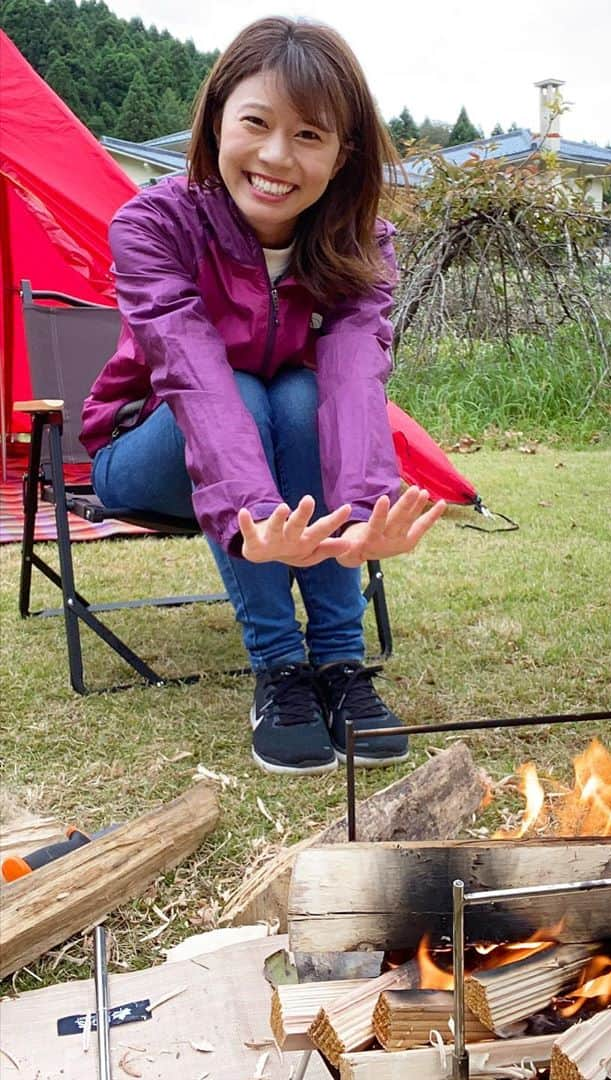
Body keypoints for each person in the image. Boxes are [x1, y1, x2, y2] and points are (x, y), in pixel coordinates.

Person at [80, 17, 445, 776]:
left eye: (310, 135)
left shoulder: (360, 243)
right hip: (147, 451)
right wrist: (253, 514)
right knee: (244, 389)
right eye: (256, 123)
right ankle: (282, 668)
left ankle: (340, 669)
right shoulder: (155, 223)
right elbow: (192, 372)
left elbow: (353, 374)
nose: (278, 157)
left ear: (343, 153)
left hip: (270, 452)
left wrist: (370, 504)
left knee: (299, 392)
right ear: (217, 118)